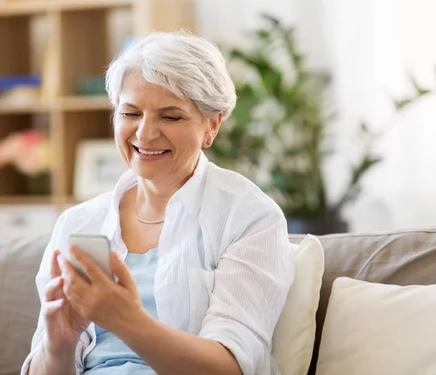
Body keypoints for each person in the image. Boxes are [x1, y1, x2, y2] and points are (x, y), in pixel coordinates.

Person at [22, 32, 294, 375]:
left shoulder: (247, 216)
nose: (145, 133)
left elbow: (231, 366)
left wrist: (126, 320)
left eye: (171, 116)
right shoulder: (80, 224)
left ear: (212, 124)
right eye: (131, 113)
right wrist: (58, 345)